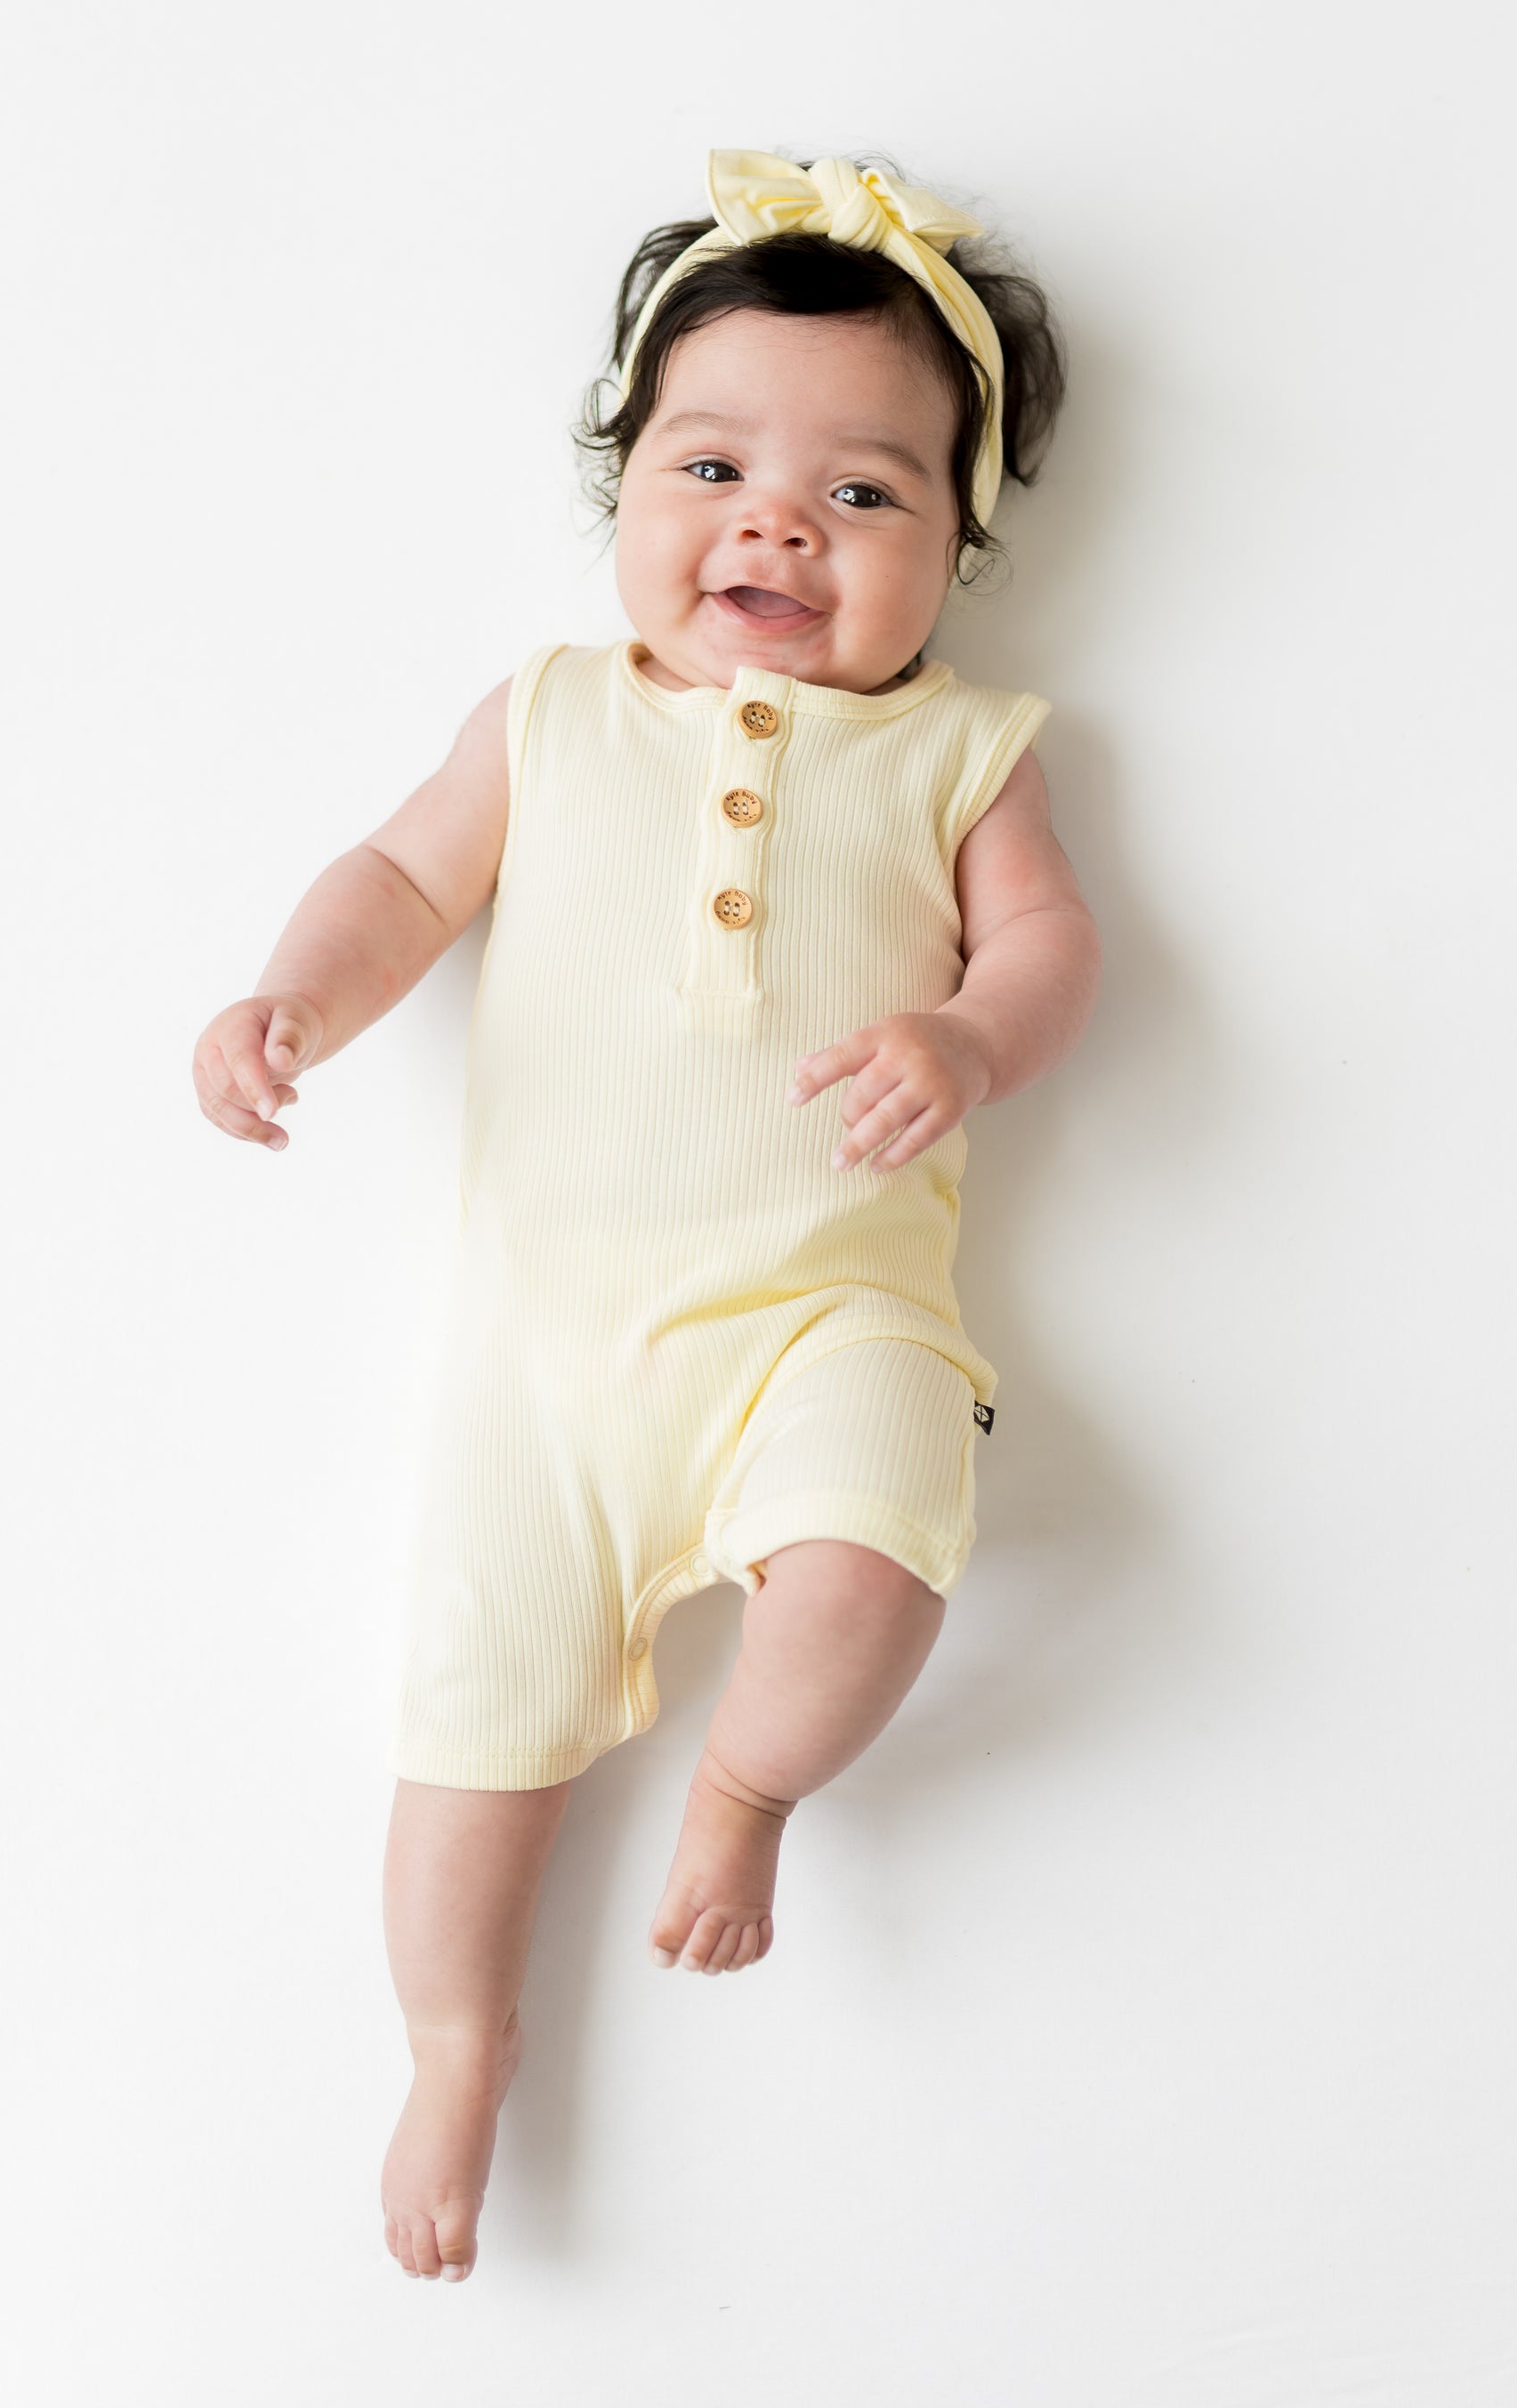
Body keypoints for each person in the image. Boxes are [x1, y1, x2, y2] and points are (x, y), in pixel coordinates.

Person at [190, 148, 1102, 2283]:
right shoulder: (553, 715)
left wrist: (970, 1041)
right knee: (469, 1716)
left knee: (881, 1547)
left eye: (869, 494)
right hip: (545, 1363)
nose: (780, 519)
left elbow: (1052, 948)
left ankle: (754, 1791)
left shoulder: (965, 753)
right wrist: (296, 1000)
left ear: (961, 547)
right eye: (712, 462)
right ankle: (454, 2039)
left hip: (827, 1310)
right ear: (623, 484)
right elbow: (404, 878)